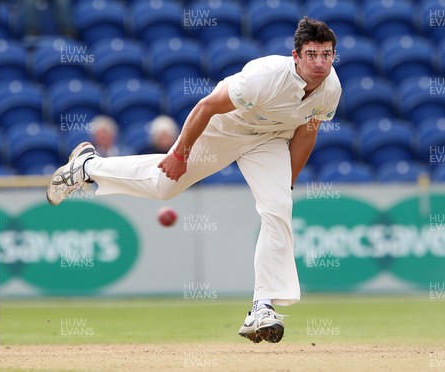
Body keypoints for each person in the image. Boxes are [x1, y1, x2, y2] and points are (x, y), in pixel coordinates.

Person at [46, 16, 341, 344]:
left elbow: (307, 132)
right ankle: (88, 167)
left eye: (326, 54)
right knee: (163, 188)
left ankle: (262, 307)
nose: (320, 62)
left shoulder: (331, 89)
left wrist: (287, 182)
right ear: (296, 56)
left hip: (270, 139)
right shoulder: (265, 77)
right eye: (312, 54)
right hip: (226, 127)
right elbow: (206, 106)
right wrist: (180, 153)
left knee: (278, 207)